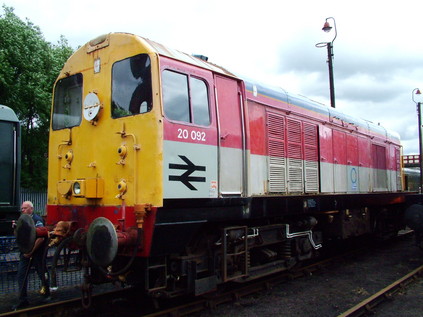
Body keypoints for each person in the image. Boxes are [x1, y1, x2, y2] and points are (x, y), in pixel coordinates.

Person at [13, 201, 50, 310]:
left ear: (31, 209)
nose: (22, 210)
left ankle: (46, 293)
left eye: (25, 208)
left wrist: (31, 251)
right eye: (22, 208)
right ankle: (23, 299)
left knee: (42, 273)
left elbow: (41, 237)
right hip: (25, 252)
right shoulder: (23, 220)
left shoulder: (37, 220)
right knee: (21, 275)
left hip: (37, 253)